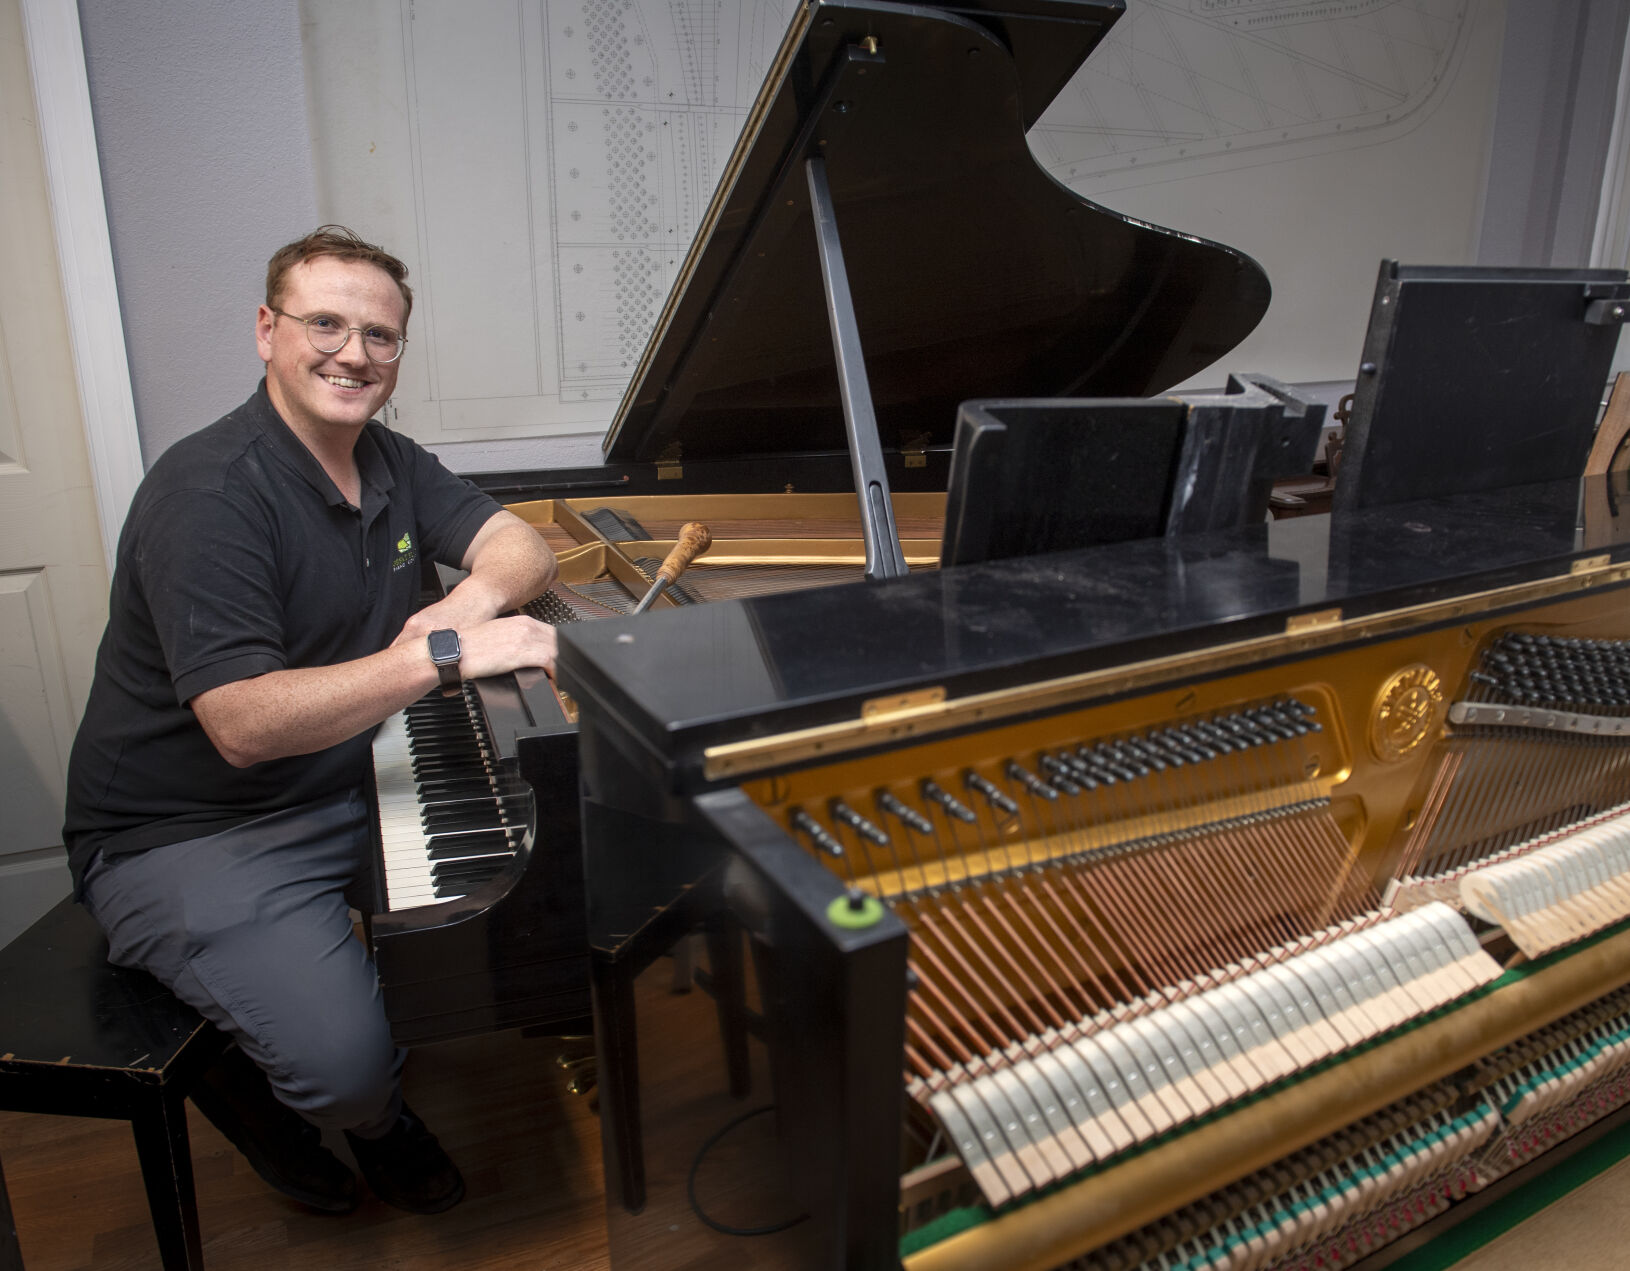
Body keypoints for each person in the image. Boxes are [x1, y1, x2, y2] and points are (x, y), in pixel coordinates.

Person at [61, 225, 560, 1215]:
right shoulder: (207, 491)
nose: (353, 352)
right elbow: (242, 724)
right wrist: (442, 652)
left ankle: (321, 1007)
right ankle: (352, 1112)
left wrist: (466, 602)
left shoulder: (386, 457)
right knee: (346, 1071)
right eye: (324, 322)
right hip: (190, 827)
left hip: (345, 774)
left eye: (380, 335)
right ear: (265, 329)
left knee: (514, 886)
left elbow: (520, 545)